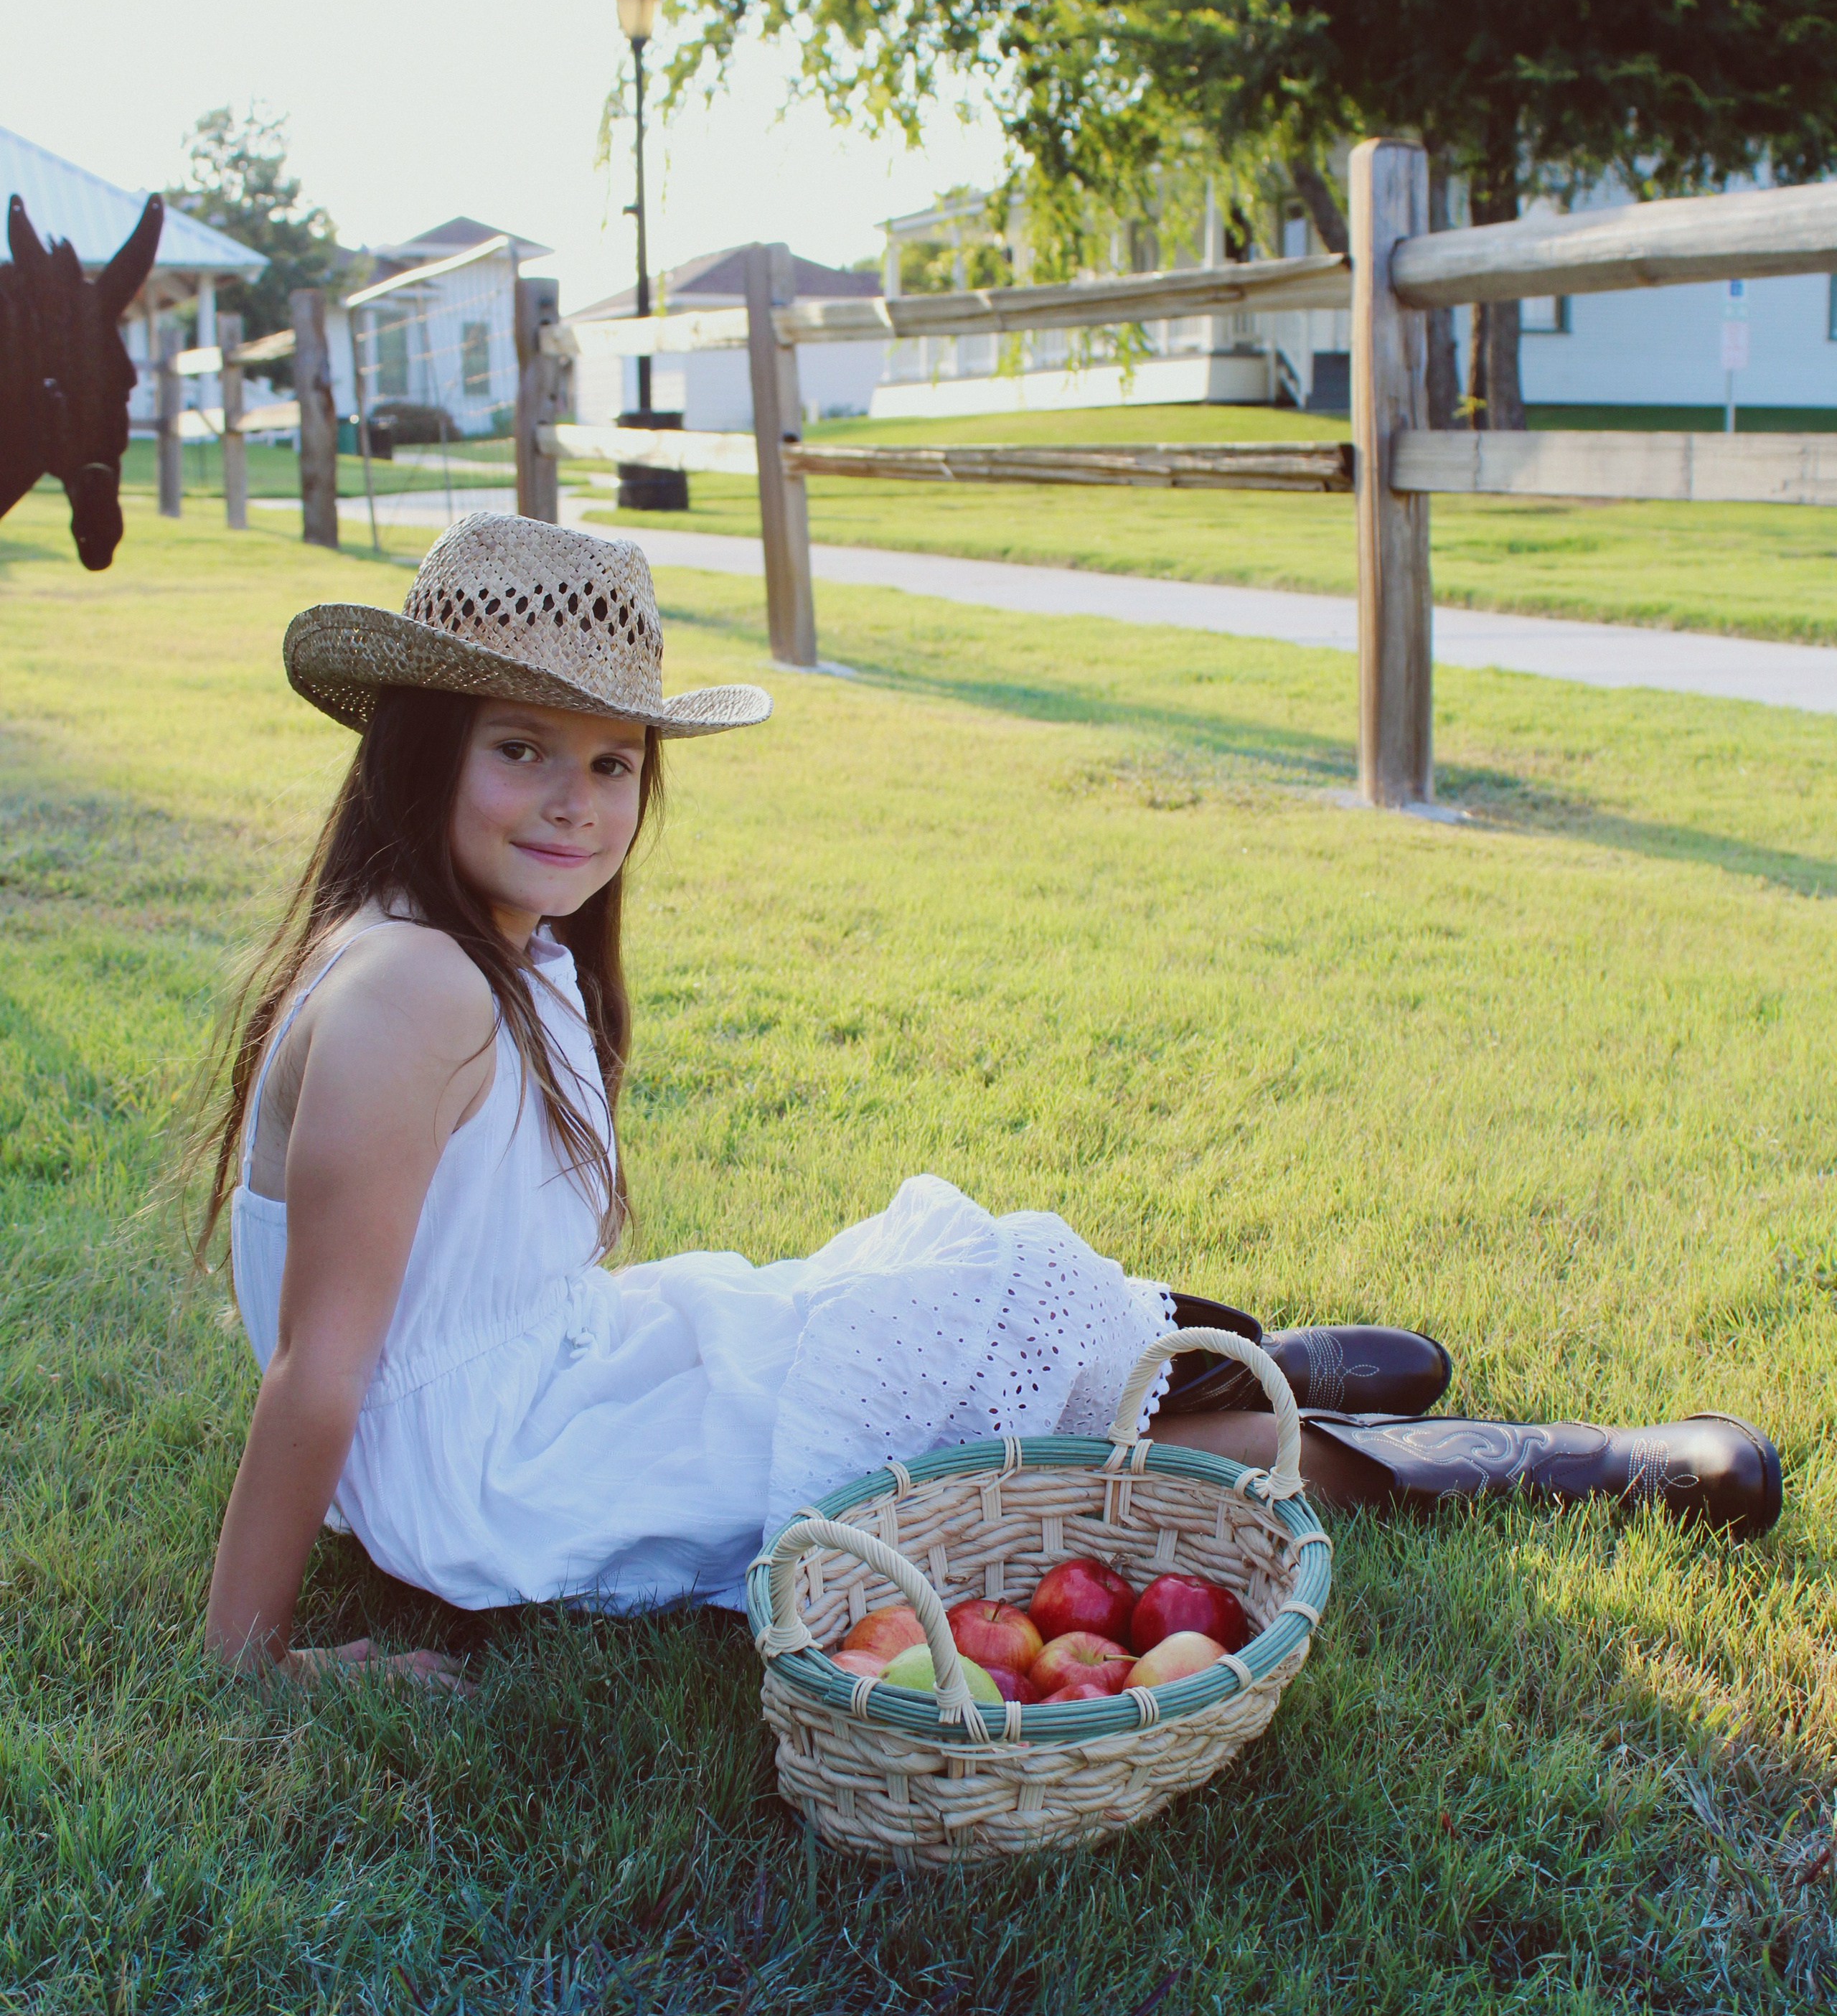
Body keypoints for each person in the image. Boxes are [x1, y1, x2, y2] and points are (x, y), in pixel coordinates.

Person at [199, 517, 1781, 1691]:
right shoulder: (412, 991)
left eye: (614, 763)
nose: (575, 801)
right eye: (520, 749)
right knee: (961, 1415)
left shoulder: (480, 947)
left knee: (901, 1297)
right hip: (510, 1470)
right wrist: (252, 1655)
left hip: (560, 1376)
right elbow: (320, 1369)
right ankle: (1519, 1459)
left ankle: (1238, 1365)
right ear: (421, 750)